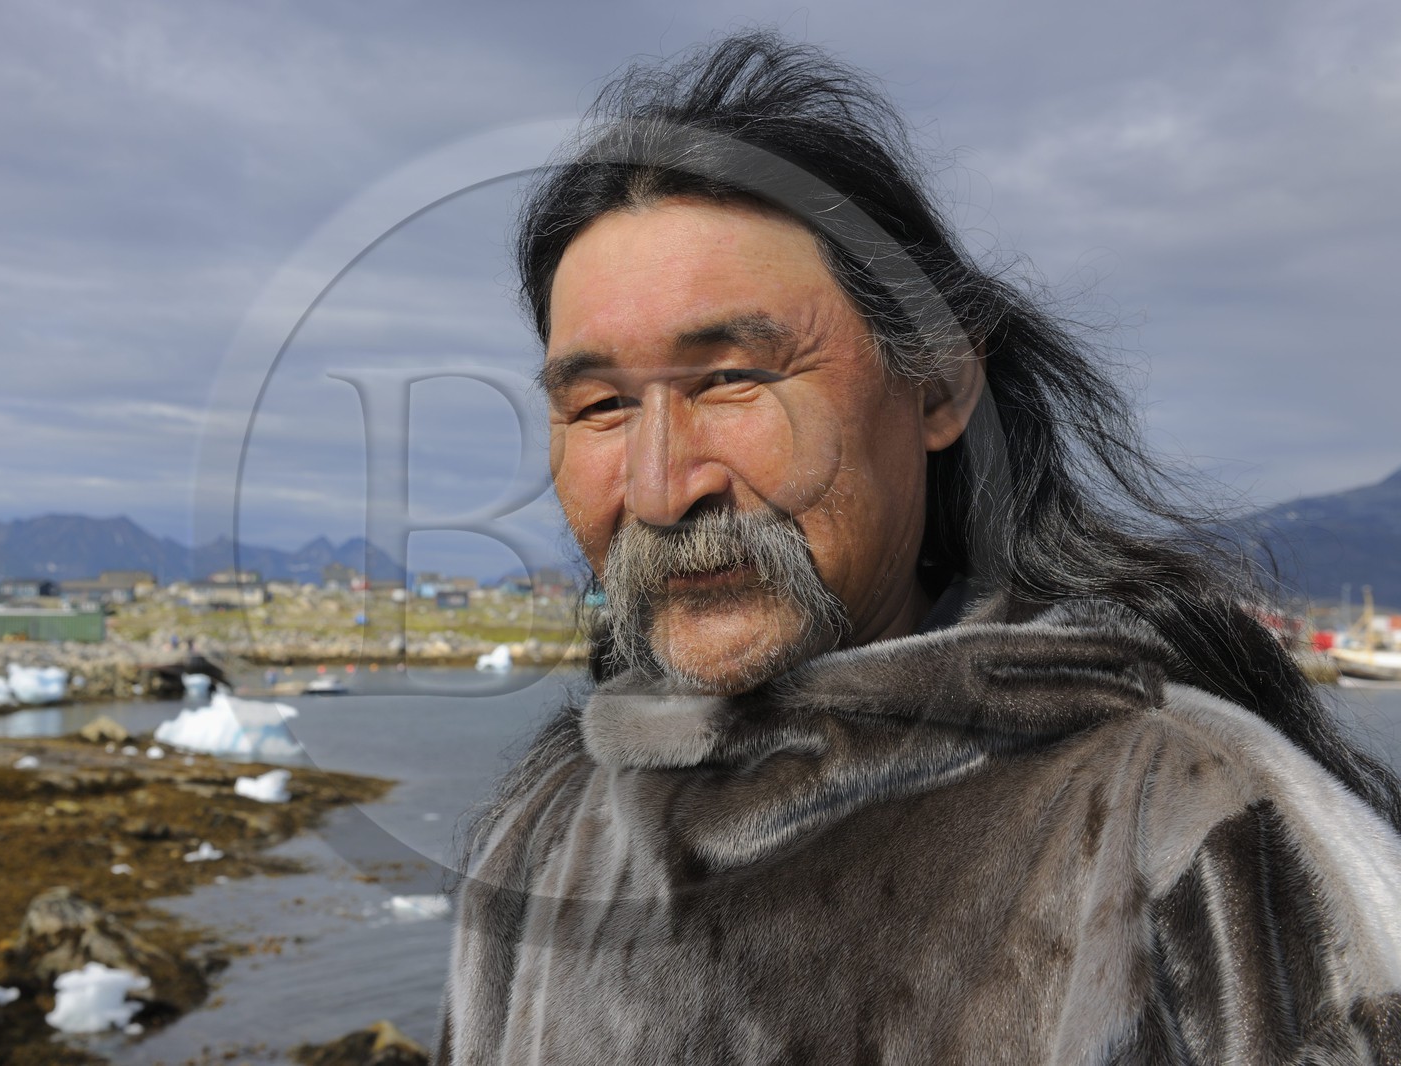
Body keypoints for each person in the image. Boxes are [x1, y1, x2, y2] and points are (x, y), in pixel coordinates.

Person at [436, 33, 1401, 1064]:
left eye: (733, 381)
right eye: (600, 405)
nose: (665, 488)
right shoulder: (545, 834)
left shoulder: (1188, 824)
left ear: (937, 389)